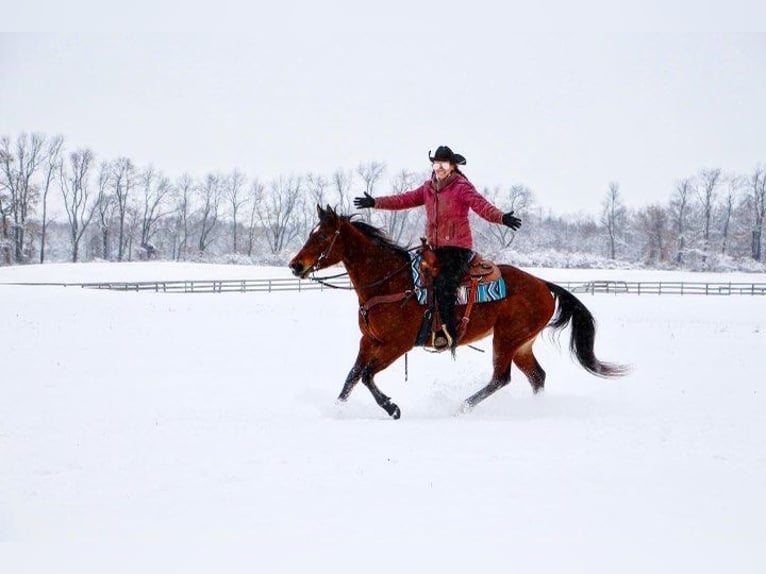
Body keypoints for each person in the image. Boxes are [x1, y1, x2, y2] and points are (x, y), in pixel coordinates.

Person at [354, 145, 521, 352]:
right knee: (410, 276)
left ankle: (448, 332)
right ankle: (417, 324)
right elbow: (403, 200)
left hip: (457, 249)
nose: (438, 167)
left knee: (444, 285)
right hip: (433, 248)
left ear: (452, 166)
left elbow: (481, 206)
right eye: (435, 164)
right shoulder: (428, 188)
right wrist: (375, 202)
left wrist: (501, 217)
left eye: (443, 164)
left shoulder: (462, 187)